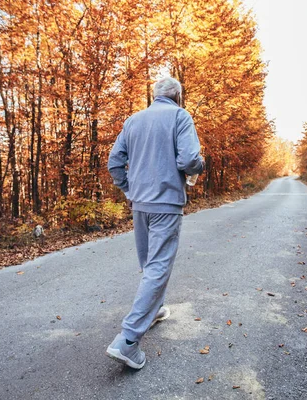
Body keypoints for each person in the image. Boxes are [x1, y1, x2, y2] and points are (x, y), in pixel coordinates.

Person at [106, 76, 204, 369]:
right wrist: (199, 165)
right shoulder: (180, 116)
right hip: (166, 202)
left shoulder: (133, 120)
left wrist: (128, 189)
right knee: (158, 266)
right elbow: (188, 159)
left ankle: (156, 308)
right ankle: (127, 340)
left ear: (155, 95)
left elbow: (114, 162)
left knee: (149, 263)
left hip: (140, 203)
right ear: (178, 96)